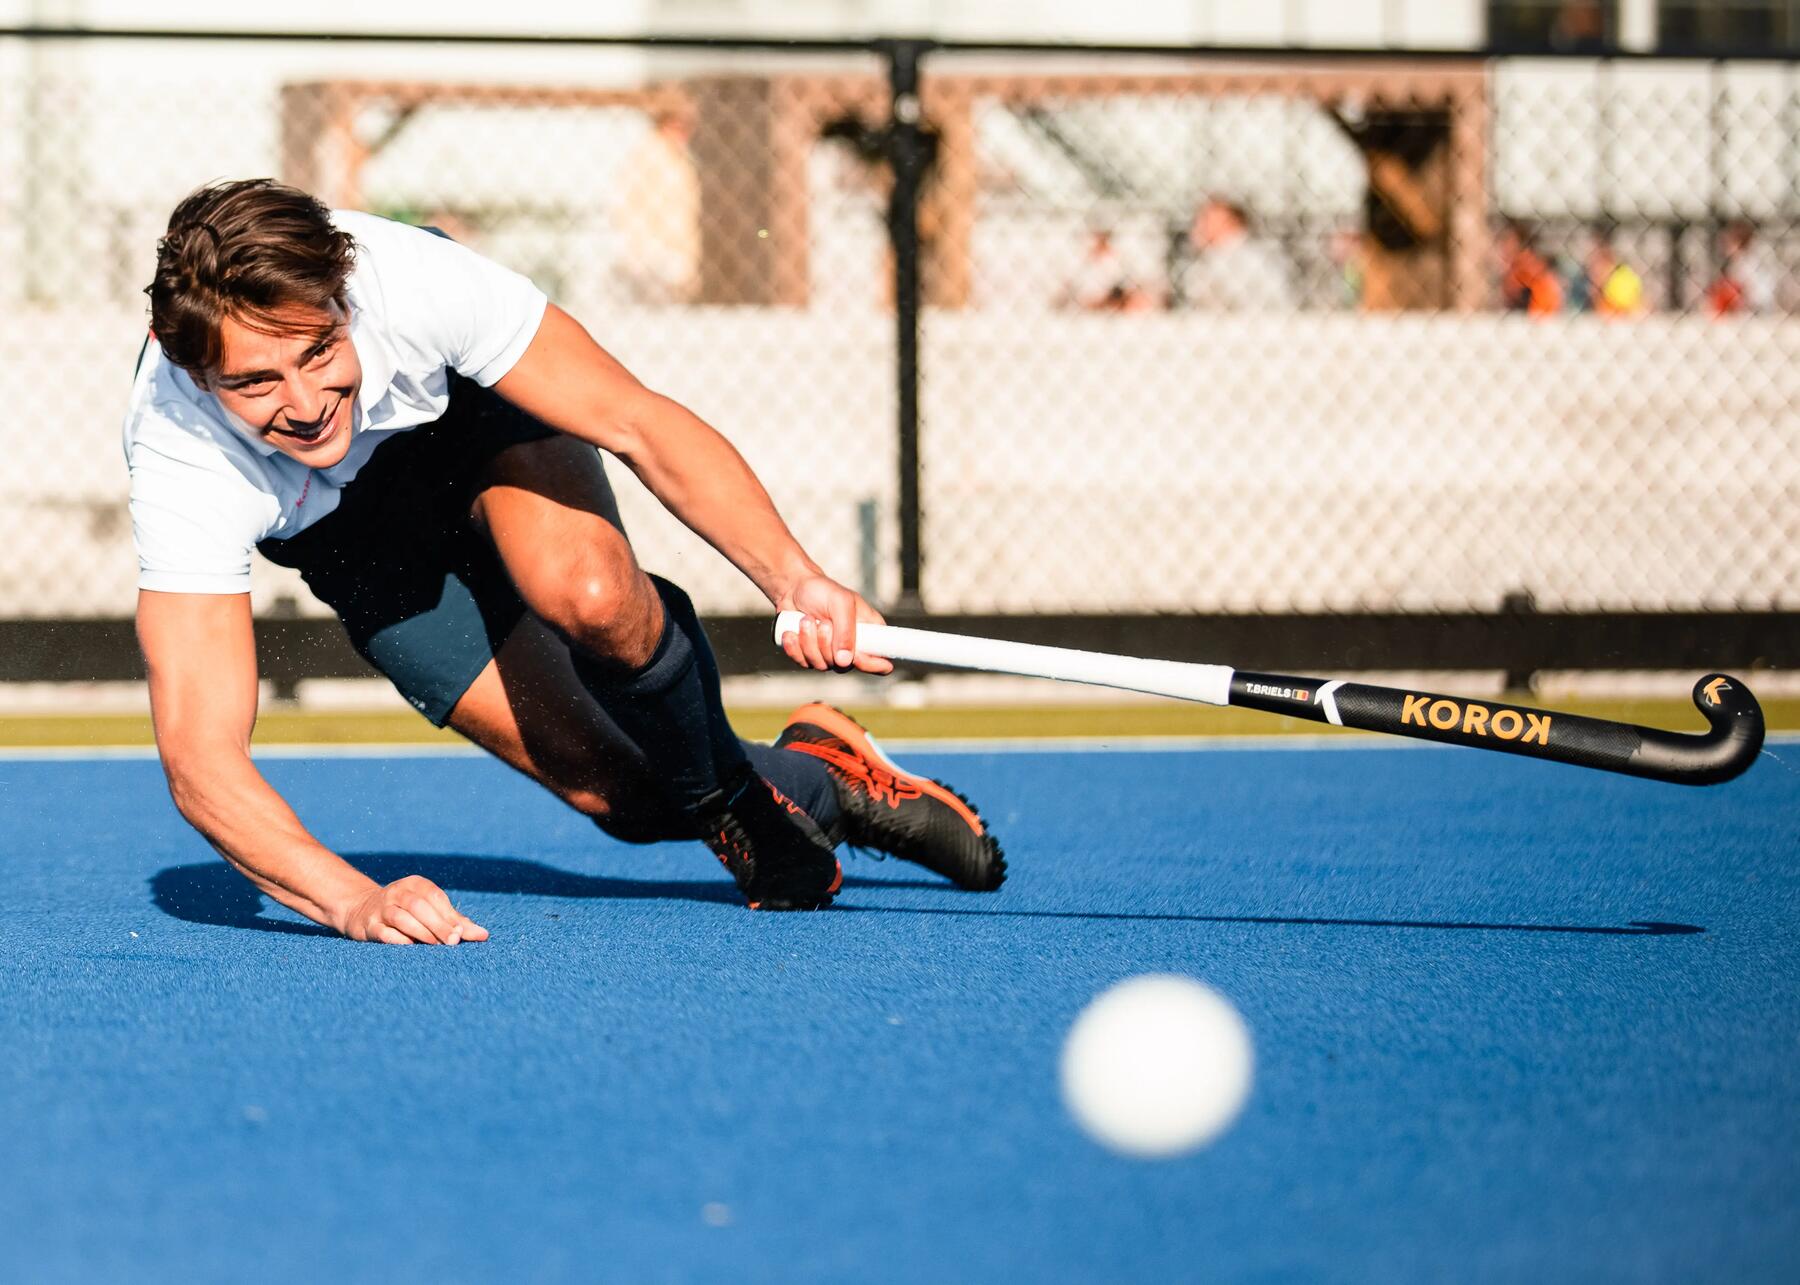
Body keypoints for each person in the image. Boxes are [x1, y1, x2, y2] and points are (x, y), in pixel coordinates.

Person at [126, 179, 1004, 945]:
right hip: (347, 531)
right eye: (257, 383)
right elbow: (202, 759)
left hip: (467, 423)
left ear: (345, 299)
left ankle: (733, 809)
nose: (308, 402)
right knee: (614, 795)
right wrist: (354, 901)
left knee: (585, 590)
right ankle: (816, 775)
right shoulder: (180, 455)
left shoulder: (417, 283)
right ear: (192, 370)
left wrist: (794, 577)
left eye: (320, 351)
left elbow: (636, 422)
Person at [612, 106, 702, 305]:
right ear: (663, 125)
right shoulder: (648, 155)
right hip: (651, 244)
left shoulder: (681, 158)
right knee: (651, 305)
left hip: (675, 243)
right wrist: (639, 240)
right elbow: (626, 201)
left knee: (671, 304)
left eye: (687, 127)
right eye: (677, 127)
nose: (683, 133)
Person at [1177, 198, 1296, 312]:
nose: (1200, 225)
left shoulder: (1245, 256)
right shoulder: (1218, 256)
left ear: (1231, 221)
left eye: (1207, 219)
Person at [1707, 219, 1778, 316]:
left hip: (1757, 307)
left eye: (1729, 243)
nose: (1725, 248)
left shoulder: (1749, 260)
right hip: (1752, 307)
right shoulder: (1741, 261)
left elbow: (1745, 291)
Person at [1496, 220, 1562, 317]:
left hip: (1538, 315)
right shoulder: (1515, 267)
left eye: (1508, 242)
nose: (1504, 247)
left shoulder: (1528, 266)